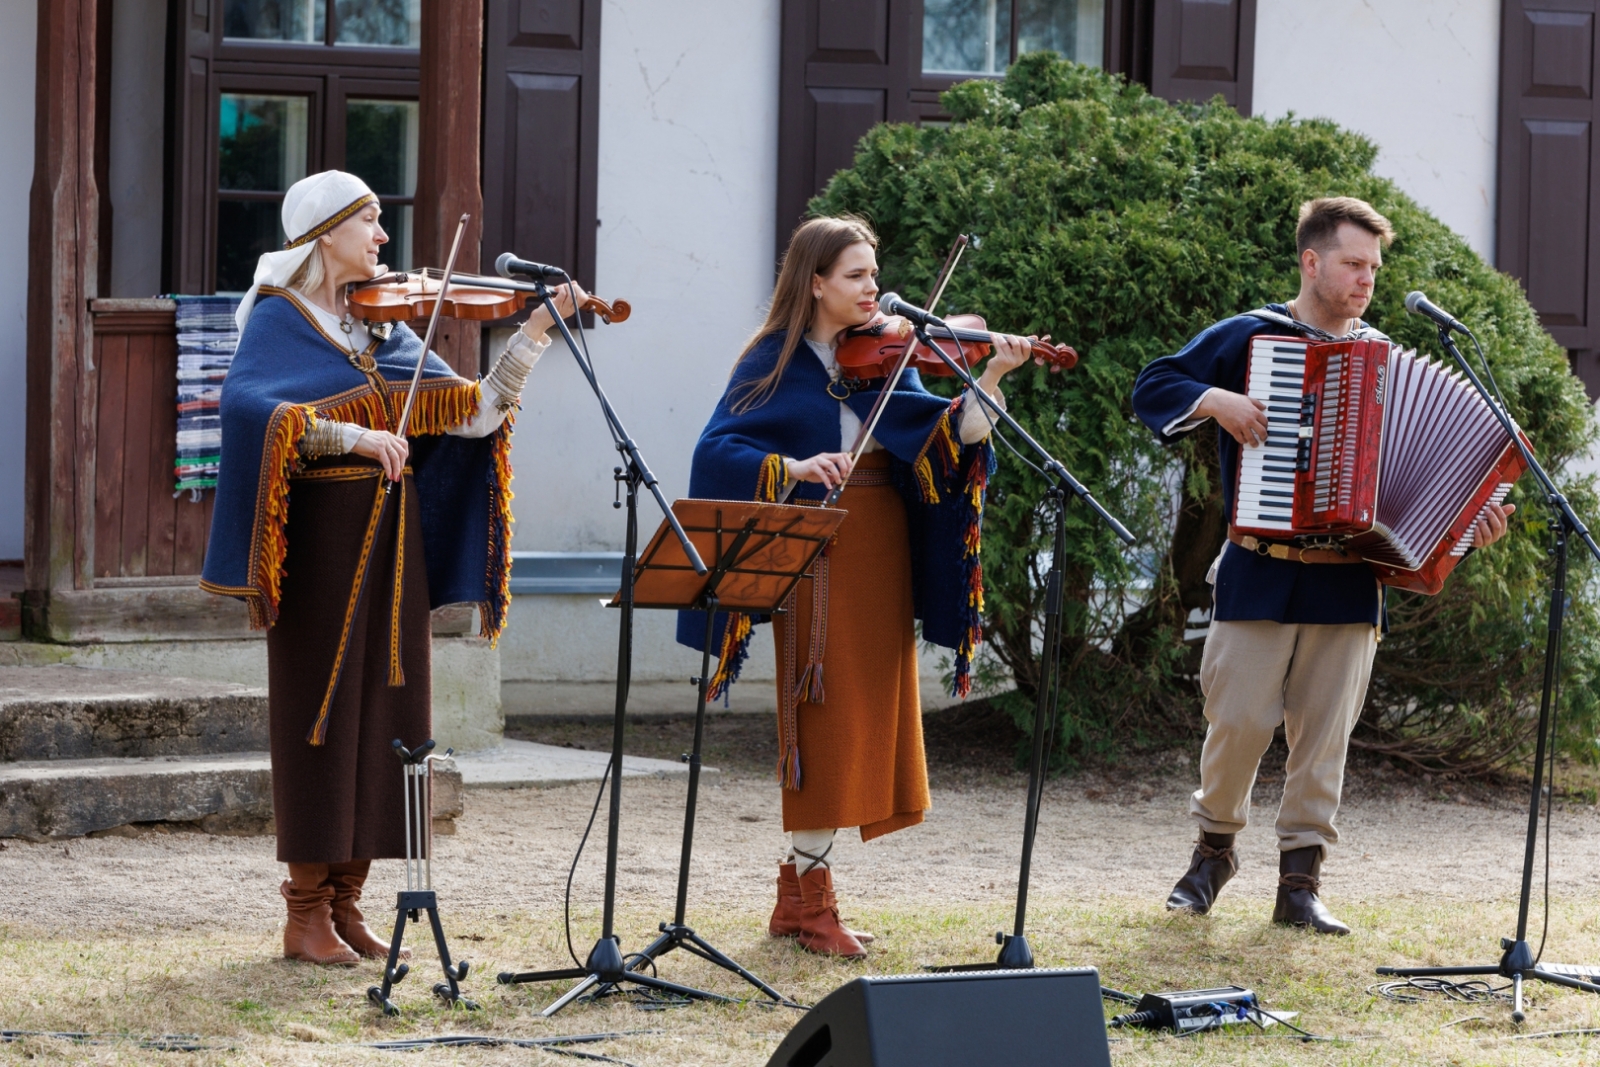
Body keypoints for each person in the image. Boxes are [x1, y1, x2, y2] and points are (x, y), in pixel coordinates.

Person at [201, 170, 585, 965]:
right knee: (323, 711)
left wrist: (534, 335)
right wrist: (355, 437)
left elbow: (474, 412)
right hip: (320, 550)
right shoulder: (281, 318)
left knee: (391, 718)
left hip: (392, 546)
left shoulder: (384, 329)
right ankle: (304, 910)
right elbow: (250, 408)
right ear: (323, 233)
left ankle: (348, 904)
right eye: (369, 222)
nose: (382, 237)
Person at [1131, 197, 1515, 934]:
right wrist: (1218, 401)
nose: (1366, 278)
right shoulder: (1251, 335)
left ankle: (1300, 885)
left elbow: (1423, 485)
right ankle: (1212, 854)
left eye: (1374, 266)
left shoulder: (1382, 356)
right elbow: (1155, 385)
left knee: (1324, 735)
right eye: (1352, 263)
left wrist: (1471, 527)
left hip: (1349, 577)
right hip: (1258, 563)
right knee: (1238, 719)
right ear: (1312, 262)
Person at [677, 216, 1037, 958]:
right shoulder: (769, 363)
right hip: (813, 549)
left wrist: (993, 374)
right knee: (821, 717)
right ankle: (814, 904)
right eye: (856, 275)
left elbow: (948, 438)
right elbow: (717, 450)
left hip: (880, 544)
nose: (873, 287)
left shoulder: (886, 361)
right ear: (815, 283)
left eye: (874, 273)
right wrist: (795, 467)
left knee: (867, 710)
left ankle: (795, 897)